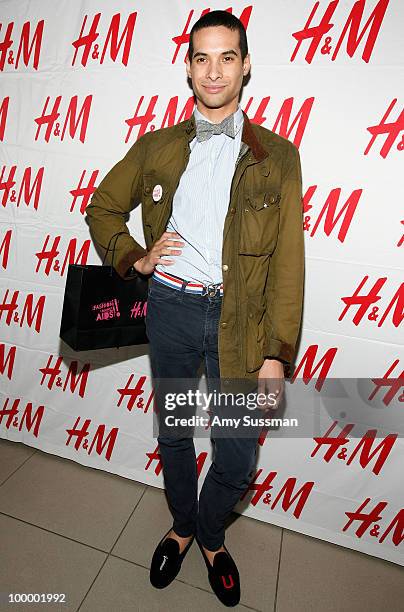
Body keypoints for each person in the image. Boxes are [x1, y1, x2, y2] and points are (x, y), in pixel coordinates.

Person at [85, 10, 304, 607]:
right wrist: (135, 256)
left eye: (227, 57)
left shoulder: (279, 158)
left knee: (236, 458)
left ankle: (211, 534)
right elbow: (103, 207)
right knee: (176, 434)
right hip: (173, 310)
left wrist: (277, 352)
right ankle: (184, 529)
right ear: (188, 68)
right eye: (202, 58)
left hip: (242, 324)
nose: (214, 71)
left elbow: (289, 265)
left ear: (246, 65)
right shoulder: (157, 147)